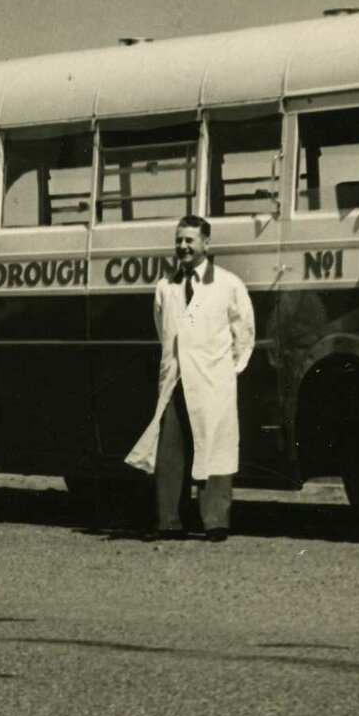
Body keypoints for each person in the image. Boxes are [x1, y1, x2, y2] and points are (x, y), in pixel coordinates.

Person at [124, 214, 255, 540]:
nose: (183, 246)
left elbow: (245, 333)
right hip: (177, 379)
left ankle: (215, 523)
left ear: (206, 244)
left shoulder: (228, 284)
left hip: (214, 380)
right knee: (170, 451)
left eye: (189, 240)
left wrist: (227, 370)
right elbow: (163, 328)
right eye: (179, 240)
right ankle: (169, 521)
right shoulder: (165, 287)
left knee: (215, 447)